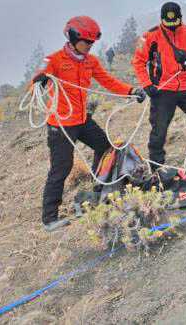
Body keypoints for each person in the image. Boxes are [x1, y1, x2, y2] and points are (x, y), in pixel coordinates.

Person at [32, 16, 145, 231]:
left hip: (83, 120)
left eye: (92, 43)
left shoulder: (91, 61)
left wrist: (131, 91)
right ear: (73, 38)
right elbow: (36, 80)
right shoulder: (54, 60)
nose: (89, 46)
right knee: (61, 167)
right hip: (61, 124)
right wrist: (40, 80)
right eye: (86, 42)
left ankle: (98, 189)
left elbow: (107, 81)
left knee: (105, 148)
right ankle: (50, 218)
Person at [132, 2, 186, 170]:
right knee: (158, 134)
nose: (171, 27)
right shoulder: (150, 36)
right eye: (167, 24)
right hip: (162, 91)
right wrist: (147, 84)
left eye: (174, 23)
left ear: (180, 19)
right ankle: (157, 169)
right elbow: (138, 62)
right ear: (162, 20)